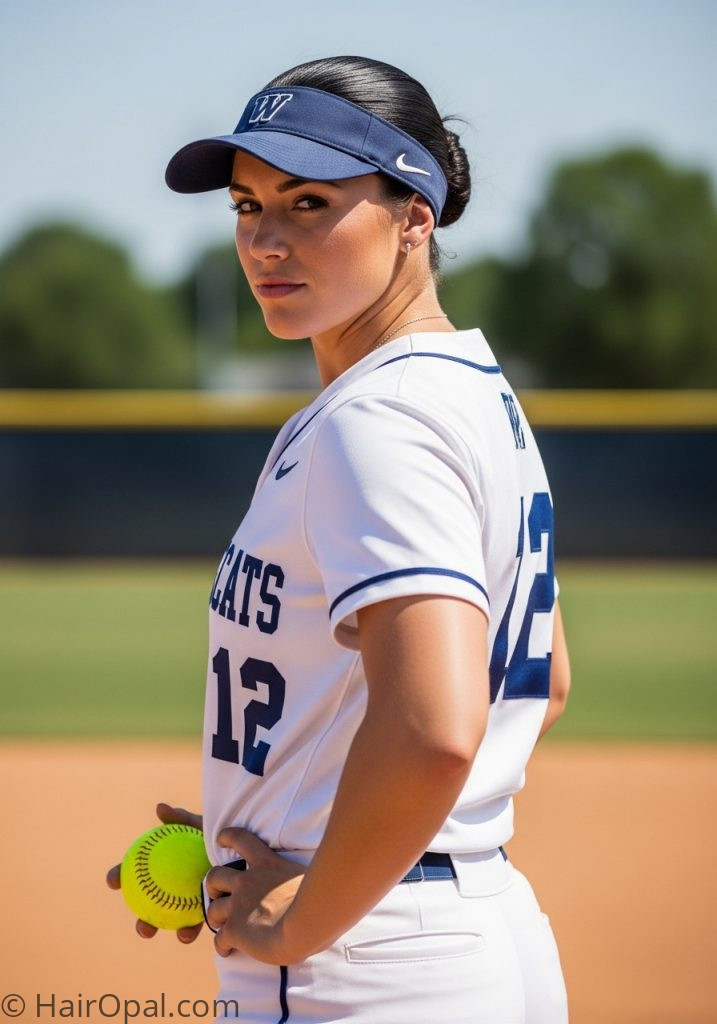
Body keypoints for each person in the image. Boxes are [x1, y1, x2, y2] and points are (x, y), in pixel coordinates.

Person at [108, 55, 571, 1023]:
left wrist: (304, 915)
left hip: (365, 963)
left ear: (415, 219)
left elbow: (436, 726)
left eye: (311, 201)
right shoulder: (470, 389)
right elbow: (544, 676)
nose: (266, 239)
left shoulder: (383, 417)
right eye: (246, 205)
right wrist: (288, 809)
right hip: (464, 928)